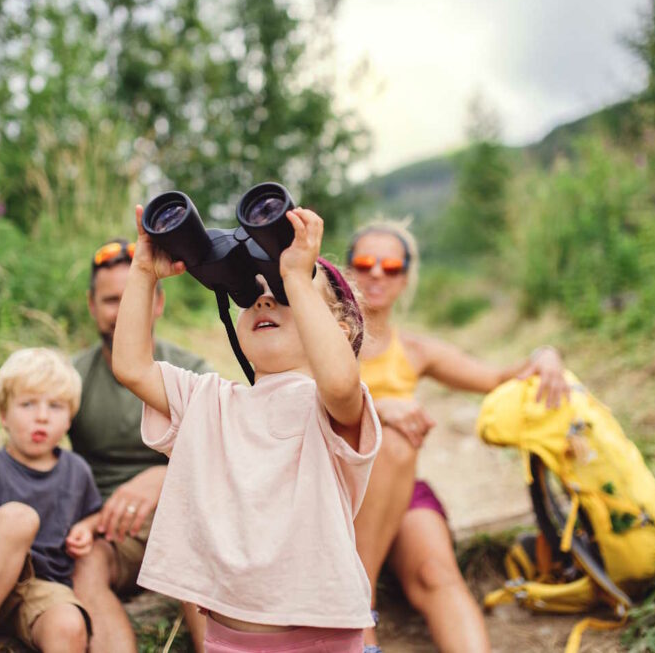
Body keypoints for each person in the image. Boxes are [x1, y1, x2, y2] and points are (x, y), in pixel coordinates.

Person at [113, 204, 381, 652]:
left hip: (320, 638)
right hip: (227, 639)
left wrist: (296, 276)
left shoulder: (329, 408)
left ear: (339, 331)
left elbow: (339, 380)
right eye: (250, 294)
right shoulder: (208, 402)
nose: (264, 300)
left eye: (283, 293)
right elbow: (132, 366)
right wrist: (143, 272)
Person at [345, 220, 570, 653]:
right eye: (365, 262)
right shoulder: (320, 340)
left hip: (395, 490)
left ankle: (360, 597)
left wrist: (544, 355)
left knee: (437, 573)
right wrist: (374, 407)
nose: (376, 273)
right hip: (333, 488)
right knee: (394, 440)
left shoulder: (414, 350)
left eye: (390, 266)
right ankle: (357, 608)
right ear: (347, 271)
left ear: (405, 279)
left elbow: (496, 378)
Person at [69, 238, 210, 653]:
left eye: (134, 296)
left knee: (193, 534)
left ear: (158, 302)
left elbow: (225, 456)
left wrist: (162, 476)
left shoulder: (192, 371)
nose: (121, 311)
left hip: (185, 517)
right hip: (111, 530)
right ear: (92, 306)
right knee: (86, 564)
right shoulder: (71, 377)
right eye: (111, 300)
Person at [0, 348, 103, 653]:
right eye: (27, 404)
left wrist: (86, 528)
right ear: (3, 416)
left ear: (69, 420)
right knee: (18, 518)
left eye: (55, 406)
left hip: (43, 590)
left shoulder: (77, 470)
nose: (42, 416)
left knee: (69, 626)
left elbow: (94, 513)